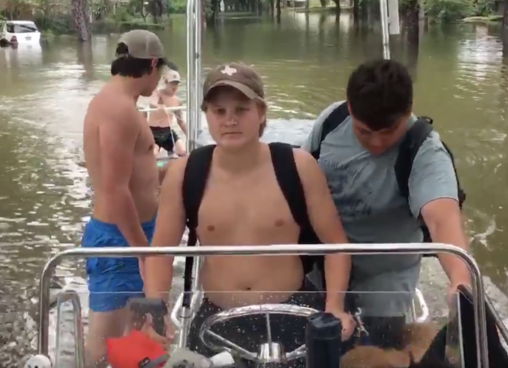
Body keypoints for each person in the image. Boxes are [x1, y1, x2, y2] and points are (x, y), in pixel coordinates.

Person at [143, 62, 355, 362]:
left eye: (241, 110)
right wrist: (156, 309)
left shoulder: (298, 166)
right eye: (219, 111)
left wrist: (334, 306)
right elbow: (161, 252)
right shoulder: (185, 173)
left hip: (292, 310)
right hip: (216, 318)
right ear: (207, 116)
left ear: (261, 113)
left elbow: (336, 244)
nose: (230, 120)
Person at [300, 59, 472, 348]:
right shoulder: (332, 120)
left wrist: (460, 278)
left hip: (383, 279)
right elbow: (300, 174)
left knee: (378, 350)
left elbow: (442, 220)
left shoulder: (424, 152)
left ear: (408, 111)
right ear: (350, 108)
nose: (377, 143)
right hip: (322, 263)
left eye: (389, 131)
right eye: (364, 132)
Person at [81, 29, 168, 367]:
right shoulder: (118, 109)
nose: (158, 79)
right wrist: (142, 253)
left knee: (138, 338)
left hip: (134, 234)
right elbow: (114, 190)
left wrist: (165, 173)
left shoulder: (116, 101)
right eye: (159, 70)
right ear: (151, 64)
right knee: (105, 344)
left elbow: (128, 176)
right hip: (121, 240)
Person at [148, 69, 188, 157]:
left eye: (176, 83)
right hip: (153, 131)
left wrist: (190, 135)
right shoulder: (158, 93)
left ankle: (172, 153)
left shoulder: (177, 101)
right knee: (153, 154)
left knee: (182, 152)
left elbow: (180, 121)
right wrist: (161, 107)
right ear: (166, 82)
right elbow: (152, 104)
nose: (174, 86)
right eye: (172, 83)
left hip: (168, 132)